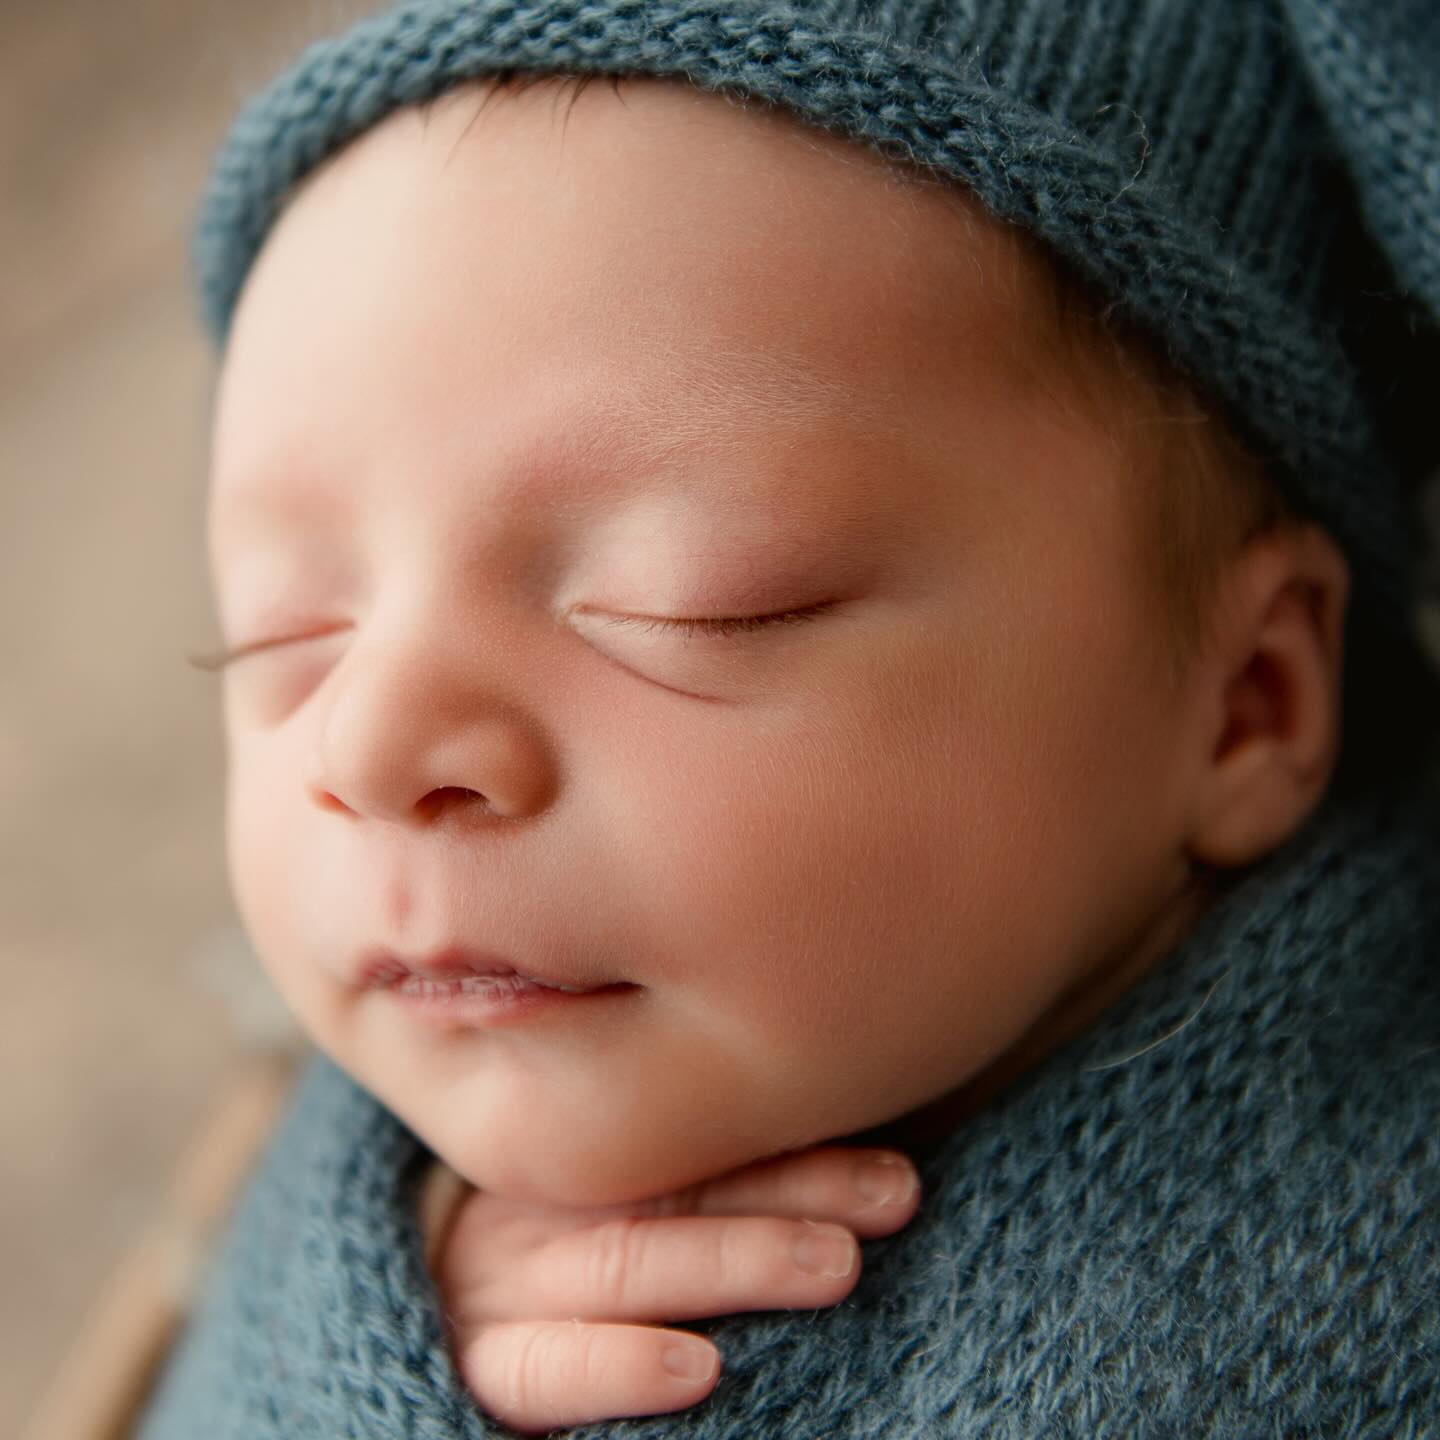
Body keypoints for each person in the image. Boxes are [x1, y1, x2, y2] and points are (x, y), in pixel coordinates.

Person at [135, 1, 1440, 1435]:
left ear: (1246, 705)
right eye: (284, 633)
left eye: (688, 603)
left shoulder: (1320, 1313)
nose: (369, 748)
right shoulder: (386, 1140)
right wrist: (360, 1324)